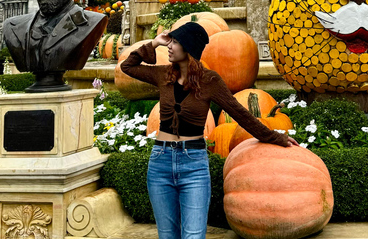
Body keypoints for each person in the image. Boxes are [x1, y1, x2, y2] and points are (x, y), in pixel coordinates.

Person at [120, 21, 298, 239]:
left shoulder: (210, 81)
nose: (169, 46)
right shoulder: (163, 74)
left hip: (193, 165)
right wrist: (154, 43)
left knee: (193, 235)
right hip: (160, 162)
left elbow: (241, 114)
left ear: (188, 47)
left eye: (174, 42)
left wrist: (276, 137)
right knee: (167, 236)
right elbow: (128, 66)